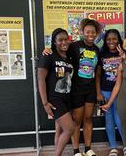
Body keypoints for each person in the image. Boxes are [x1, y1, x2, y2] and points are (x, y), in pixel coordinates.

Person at [42, 18, 102, 156]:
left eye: (93, 32)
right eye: (87, 32)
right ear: (82, 32)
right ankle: (76, 151)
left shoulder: (97, 50)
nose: (90, 34)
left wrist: (98, 91)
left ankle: (88, 149)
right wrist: (47, 49)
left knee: (88, 119)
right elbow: (58, 52)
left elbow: (97, 73)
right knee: (76, 121)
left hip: (90, 89)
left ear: (97, 33)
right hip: (75, 90)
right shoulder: (74, 46)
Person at [38, 28, 75, 156]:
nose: (64, 42)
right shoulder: (48, 55)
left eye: (66, 39)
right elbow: (41, 78)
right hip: (54, 99)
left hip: (67, 98)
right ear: (54, 42)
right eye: (60, 40)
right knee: (69, 128)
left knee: (59, 130)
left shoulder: (69, 58)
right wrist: (45, 103)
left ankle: (56, 152)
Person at [95, 29, 125, 156]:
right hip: (105, 91)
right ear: (105, 41)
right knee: (109, 120)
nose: (111, 41)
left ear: (118, 39)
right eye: (108, 39)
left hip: (121, 91)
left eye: (114, 39)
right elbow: (97, 76)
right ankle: (113, 147)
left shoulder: (125, 53)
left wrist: (123, 57)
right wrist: (98, 93)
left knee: (120, 119)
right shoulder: (101, 55)